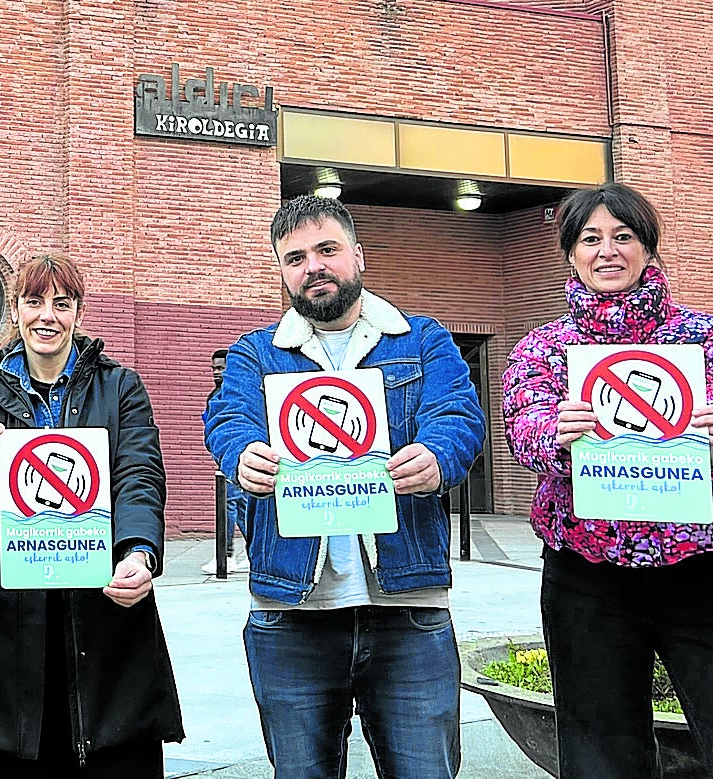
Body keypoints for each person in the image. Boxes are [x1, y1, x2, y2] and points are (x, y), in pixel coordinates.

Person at [502, 182, 713, 778]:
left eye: (624, 236)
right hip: (585, 575)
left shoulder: (708, 338)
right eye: (590, 238)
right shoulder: (543, 347)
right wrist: (554, 434)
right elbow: (522, 426)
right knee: (601, 761)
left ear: (649, 249)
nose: (607, 250)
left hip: (702, 572)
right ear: (570, 253)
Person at [203, 195, 484, 778]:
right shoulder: (255, 354)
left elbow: (459, 416)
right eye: (295, 258)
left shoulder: (422, 339)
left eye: (327, 250)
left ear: (358, 255)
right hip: (291, 613)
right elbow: (228, 419)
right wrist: (241, 456)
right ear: (282, 271)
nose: (313, 267)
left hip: (407, 608)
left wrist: (437, 457)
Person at [0, 253, 185, 777]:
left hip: (104, 602)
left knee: (118, 757)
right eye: (34, 302)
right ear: (15, 310)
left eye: (62, 303)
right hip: (13, 607)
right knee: (25, 756)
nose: (46, 316)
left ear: (79, 312)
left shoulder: (120, 387)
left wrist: (139, 552)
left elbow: (138, 476)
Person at [203, 348, 250, 575]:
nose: (215, 372)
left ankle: (226, 556)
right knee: (242, 508)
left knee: (229, 507)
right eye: (213, 368)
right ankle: (253, 553)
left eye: (220, 368)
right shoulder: (215, 395)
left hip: (233, 462)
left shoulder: (234, 394)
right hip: (224, 461)